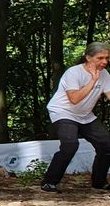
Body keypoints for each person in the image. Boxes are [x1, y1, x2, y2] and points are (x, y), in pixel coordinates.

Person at [41, 42, 110, 193]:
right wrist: (92, 81)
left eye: (107, 58)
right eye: (100, 58)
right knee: (70, 145)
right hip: (64, 112)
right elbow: (74, 99)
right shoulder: (73, 73)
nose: (105, 62)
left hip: (85, 115)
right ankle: (49, 182)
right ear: (88, 58)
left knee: (106, 144)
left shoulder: (105, 74)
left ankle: (99, 183)